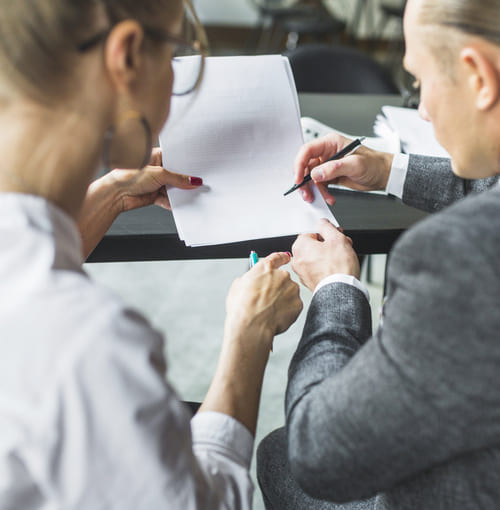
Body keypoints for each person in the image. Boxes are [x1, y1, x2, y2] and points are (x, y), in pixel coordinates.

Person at [0, 1, 303, 508]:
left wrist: (112, 196)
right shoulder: (91, 344)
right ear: (128, 58)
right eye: (180, 58)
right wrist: (248, 337)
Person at [257, 0, 500, 508]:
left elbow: (320, 454)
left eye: (420, 81)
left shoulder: (458, 260)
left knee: (280, 452)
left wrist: (335, 290)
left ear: (479, 77)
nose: (425, 111)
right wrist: (388, 168)